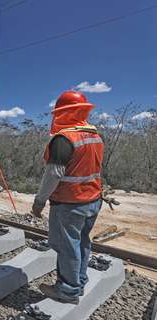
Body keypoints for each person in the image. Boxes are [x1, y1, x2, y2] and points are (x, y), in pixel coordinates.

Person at [32, 90, 104, 305]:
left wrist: (39, 202)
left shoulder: (64, 139)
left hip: (70, 204)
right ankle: (79, 281)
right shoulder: (95, 136)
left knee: (67, 247)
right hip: (93, 200)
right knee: (81, 242)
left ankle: (68, 291)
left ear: (65, 113)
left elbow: (54, 174)